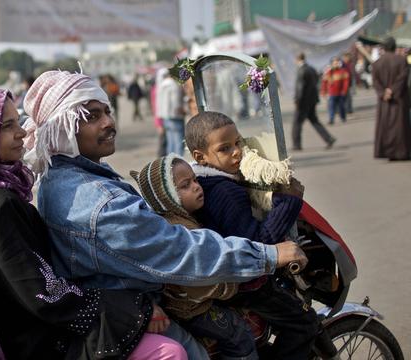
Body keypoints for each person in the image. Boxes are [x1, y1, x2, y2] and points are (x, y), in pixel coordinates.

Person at [24, 70, 308, 359]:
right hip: (134, 312)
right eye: (92, 116)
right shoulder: (98, 202)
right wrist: (268, 255)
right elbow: (178, 250)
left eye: (108, 111)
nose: (109, 122)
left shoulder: (62, 176)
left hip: (131, 303)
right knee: (232, 341)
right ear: (63, 128)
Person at [0, 84, 181, 359]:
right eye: (5, 126)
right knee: (169, 352)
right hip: (34, 340)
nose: (21, 132)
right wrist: (133, 309)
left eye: (18, 122)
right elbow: (43, 293)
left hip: (20, 327)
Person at [185, 111, 326, 360]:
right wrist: (288, 202)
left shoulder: (203, 181)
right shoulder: (226, 192)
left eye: (238, 143)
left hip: (222, 278)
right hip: (246, 285)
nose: (237, 152)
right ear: (200, 156)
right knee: (304, 322)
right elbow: (259, 245)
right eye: (225, 148)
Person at [130, 155, 258, 360]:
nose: (197, 187)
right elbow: (198, 281)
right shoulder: (180, 230)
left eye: (195, 180)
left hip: (190, 302)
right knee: (238, 334)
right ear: (166, 197)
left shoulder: (179, 218)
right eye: (185, 185)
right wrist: (230, 288)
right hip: (192, 308)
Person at [371, 37, 411, 161]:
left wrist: (384, 93)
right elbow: (403, 78)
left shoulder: (377, 63)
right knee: (400, 126)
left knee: (386, 126)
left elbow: (375, 81)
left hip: (385, 101)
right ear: (394, 47)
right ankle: (401, 152)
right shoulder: (401, 60)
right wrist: (392, 90)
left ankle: (388, 152)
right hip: (399, 99)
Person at [292, 53, 336, 151]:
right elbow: (316, 81)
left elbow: (300, 88)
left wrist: (297, 100)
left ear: (298, 59)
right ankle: (329, 138)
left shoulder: (301, 70)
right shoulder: (311, 68)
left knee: (297, 123)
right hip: (312, 100)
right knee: (314, 120)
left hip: (303, 102)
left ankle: (296, 144)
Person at [157, 68, 186, 155]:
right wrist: (183, 111)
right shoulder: (174, 85)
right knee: (179, 142)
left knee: (171, 142)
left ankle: (170, 164)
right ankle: (178, 163)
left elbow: (159, 102)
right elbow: (176, 103)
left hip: (165, 117)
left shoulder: (161, 85)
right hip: (175, 117)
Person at [321, 57, 350, 125]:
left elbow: (346, 82)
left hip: (340, 93)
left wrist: (344, 90)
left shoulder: (343, 71)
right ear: (332, 64)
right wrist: (323, 91)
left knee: (341, 107)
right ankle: (331, 119)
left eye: (337, 63)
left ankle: (343, 117)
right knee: (331, 106)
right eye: (334, 63)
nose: (336, 64)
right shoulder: (328, 72)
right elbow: (324, 82)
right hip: (332, 93)